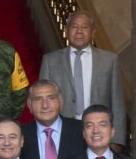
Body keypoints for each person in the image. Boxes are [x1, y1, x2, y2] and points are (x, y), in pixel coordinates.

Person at [40, 10, 127, 149]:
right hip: (62, 132)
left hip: (98, 131)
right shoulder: (50, 60)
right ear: (67, 30)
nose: (79, 31)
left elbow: (117, 102)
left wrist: (117, 140)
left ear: (93, 32)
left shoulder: (109, 60)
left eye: (84, 27)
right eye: (74, 27)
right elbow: (41, 100)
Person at [20, 80, 86, 159]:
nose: (45, 106)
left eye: (51, 98)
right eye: (38, 99)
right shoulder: (20, 133)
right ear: (29, 105)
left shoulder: (81, 129)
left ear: (61, 102)